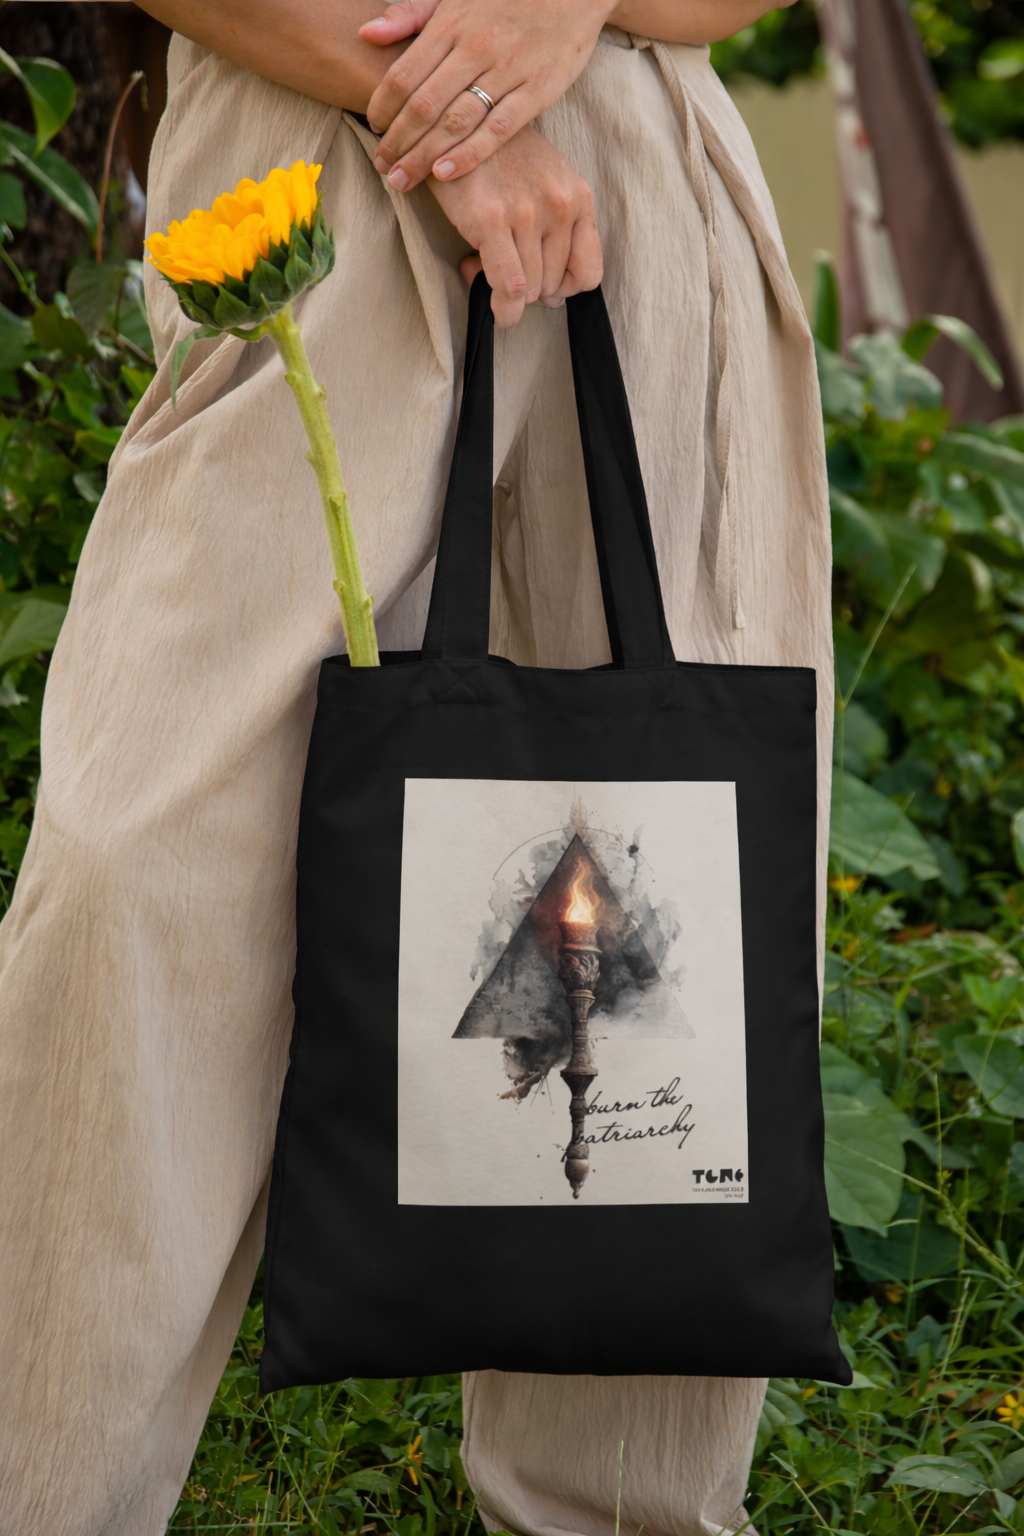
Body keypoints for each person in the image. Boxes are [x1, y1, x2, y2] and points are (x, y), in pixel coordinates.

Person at [0, 0, 833, 1531]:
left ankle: (617, 1507)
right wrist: (452, 116)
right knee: (138, 880)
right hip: (306, 156)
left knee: (651, 915)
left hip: (647, 175)